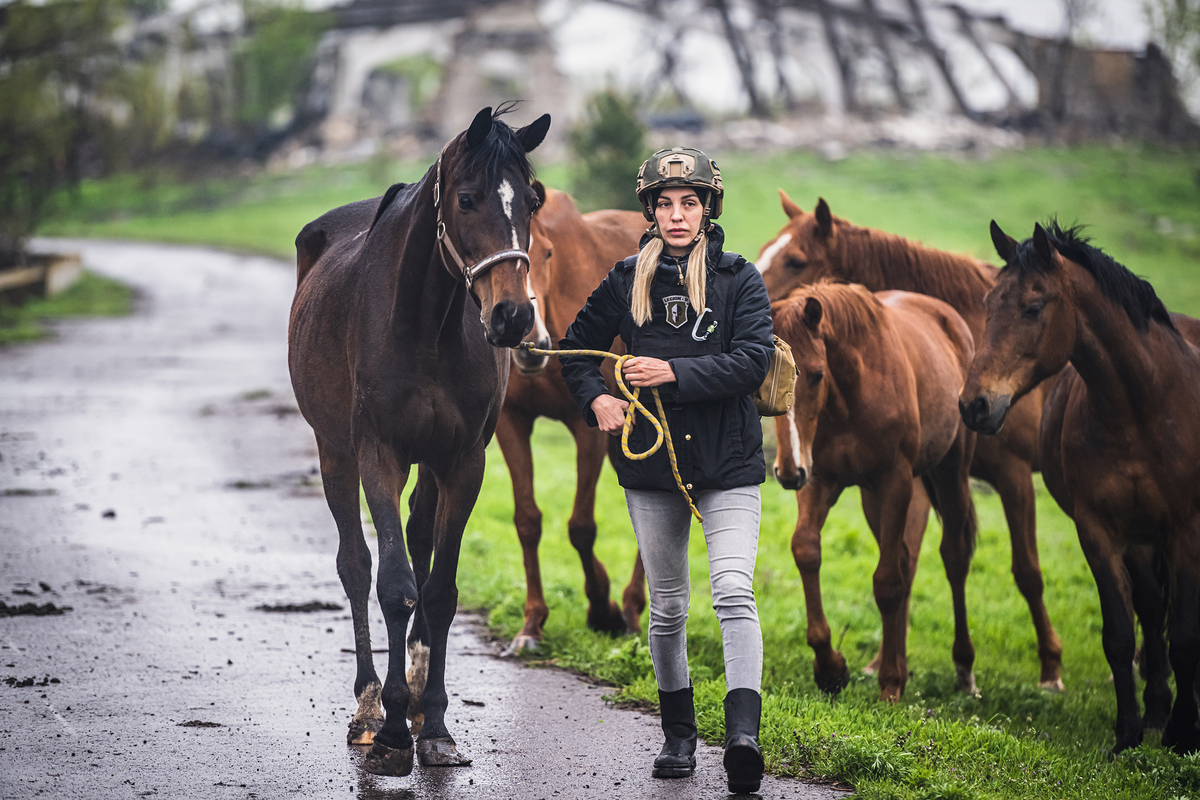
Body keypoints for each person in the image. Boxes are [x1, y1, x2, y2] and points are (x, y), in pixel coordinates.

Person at [559, 147, 773, 794]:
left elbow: (754, 360)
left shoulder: (741, 279)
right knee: (668, 608)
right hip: (652, 468)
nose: (677, 214)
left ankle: (743, 737)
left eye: (690, 202)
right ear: (650, 211)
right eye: (665, 203)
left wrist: (673, 371)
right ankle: (679, 735)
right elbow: (574, 351)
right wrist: (597, 397)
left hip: (728, 463)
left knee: (734, 590)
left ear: (709, 208)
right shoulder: (625, 280)